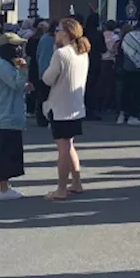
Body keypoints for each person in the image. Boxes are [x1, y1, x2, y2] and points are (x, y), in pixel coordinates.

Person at [42, 18, 90, 201]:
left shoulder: (61, 54)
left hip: (60, 107)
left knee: (63, 148)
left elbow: (48, 78)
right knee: (69, 145)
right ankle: (76, 183)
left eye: (58, 29)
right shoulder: (82, 52)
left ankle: (61, 189)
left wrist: (54, 55)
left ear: (67, 33)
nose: (56, 32)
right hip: (76, 106)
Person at [0, 31, 30, 201]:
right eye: (16, 46)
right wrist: (23, 70)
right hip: (7, 113)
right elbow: (16, 84)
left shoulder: (2, 63)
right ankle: (4, 188)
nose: (19, 49)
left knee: (2, 150)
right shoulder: (3, 65)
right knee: (8, 151)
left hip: (3, 112)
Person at [117, 15, 140, 126]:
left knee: (126, 91)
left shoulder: (128, 35)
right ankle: (133, 115)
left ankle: (122, 114)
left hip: (127, 67)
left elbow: (122, 50)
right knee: (137, 93)